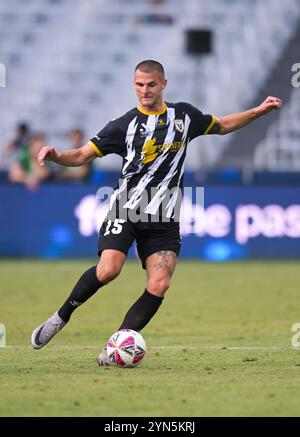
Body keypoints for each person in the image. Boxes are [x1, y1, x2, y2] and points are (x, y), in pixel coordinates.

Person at [31, 60, 282, 365]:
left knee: (160, 283)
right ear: (133, 85)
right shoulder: (123, 125)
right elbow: (82, 155)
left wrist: (258, 111)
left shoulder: (184, 116)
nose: (144, 91)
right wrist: (57, 156)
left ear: (163, 84)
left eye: (151, 84)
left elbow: (222, 125)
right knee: (109, 269)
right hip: (127, 206)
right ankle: (61, 317)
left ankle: (116, 347)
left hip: (164, 214)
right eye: (139, 85)